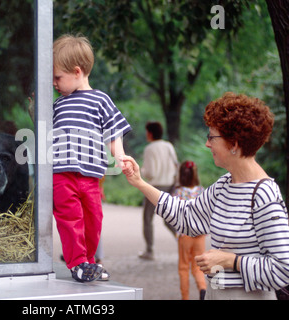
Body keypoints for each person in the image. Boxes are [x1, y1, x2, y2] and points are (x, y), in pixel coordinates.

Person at [122, 92, 289, 300]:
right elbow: (187, 217)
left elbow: (283, 269)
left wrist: (231, 260)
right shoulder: (224, 186)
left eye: (212, 137)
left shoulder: (264, 195)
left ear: (234, 144)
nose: (207, 144)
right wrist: (139, 182)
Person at [52, 34, 131, 282]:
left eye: (57, 78)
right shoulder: (57, 104)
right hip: (62, 175)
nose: (54, 83)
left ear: (77, 72)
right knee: (70, 219)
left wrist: (120, 155)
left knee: (93, 219)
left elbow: (114, 130)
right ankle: (77, 264)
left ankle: (90, 261)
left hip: (90, 177)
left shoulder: (100, 100)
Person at [139, 121, 178, 260]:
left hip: (154, 187)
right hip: (170, 185)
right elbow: (175, 165)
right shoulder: (168, 145)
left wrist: (141, 170)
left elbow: (151, 173)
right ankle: (183, 241)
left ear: (149, 133)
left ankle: (149, 251)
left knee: (147, 219)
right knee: (169, 218)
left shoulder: (149, 149)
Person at [172, 161, 206, 300]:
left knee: (183, 267)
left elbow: (173, 213)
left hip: (185, 234)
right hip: (200, 234)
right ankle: (203, 289)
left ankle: (185, 297)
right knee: (198, 266)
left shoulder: (178, 192)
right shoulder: (202, 191)